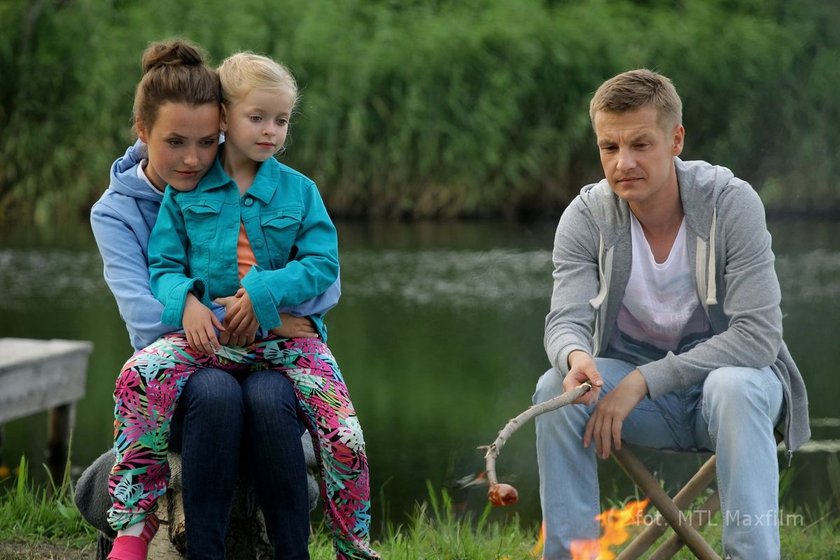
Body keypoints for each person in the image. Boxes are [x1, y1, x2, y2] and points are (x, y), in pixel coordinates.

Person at [110, 50, 379, 560]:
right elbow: (162, 267)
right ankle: (134, 522)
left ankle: (353, 547)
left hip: (289, 345)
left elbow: (322, 265)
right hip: (208, 342)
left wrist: (264, 292)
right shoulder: (186, 192)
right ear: (226, 119)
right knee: (138, 376)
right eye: (258, 118)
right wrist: (186, 303)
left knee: (346, 437)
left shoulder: (301, 192)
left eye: (281, 120)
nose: (270, 131)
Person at [533, 69, 809, 560]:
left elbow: (758, 337)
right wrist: (575, 355)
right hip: (641, 406)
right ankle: (572, 554)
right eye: (610, 148)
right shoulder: (586, 215)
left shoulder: (731, 203)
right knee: (556, 389)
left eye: (640, 144)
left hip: (729, 399)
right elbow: (564, 319)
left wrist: (643, 379)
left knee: (735, 384)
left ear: (676, 139)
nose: (624, 163)